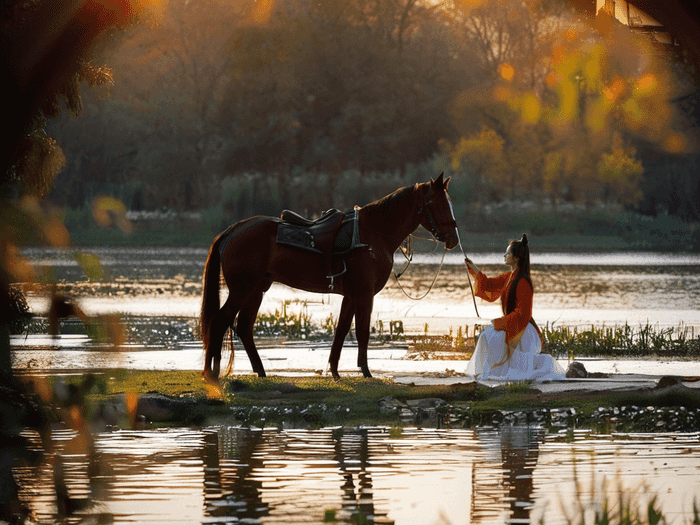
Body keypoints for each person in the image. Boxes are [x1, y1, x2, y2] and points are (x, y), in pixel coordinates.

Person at [463, 234, 566, 381]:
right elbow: (489, 285)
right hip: (512, 324)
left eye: (508, 253)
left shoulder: (523, 282)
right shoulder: (508, 277)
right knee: (486, 337)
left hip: (523, 329)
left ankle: (492, 372)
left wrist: (501, 322)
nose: (504, 255)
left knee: (487, 336)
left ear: (516, 258)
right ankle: (487, 371)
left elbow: (523, 314)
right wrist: (474, 269)